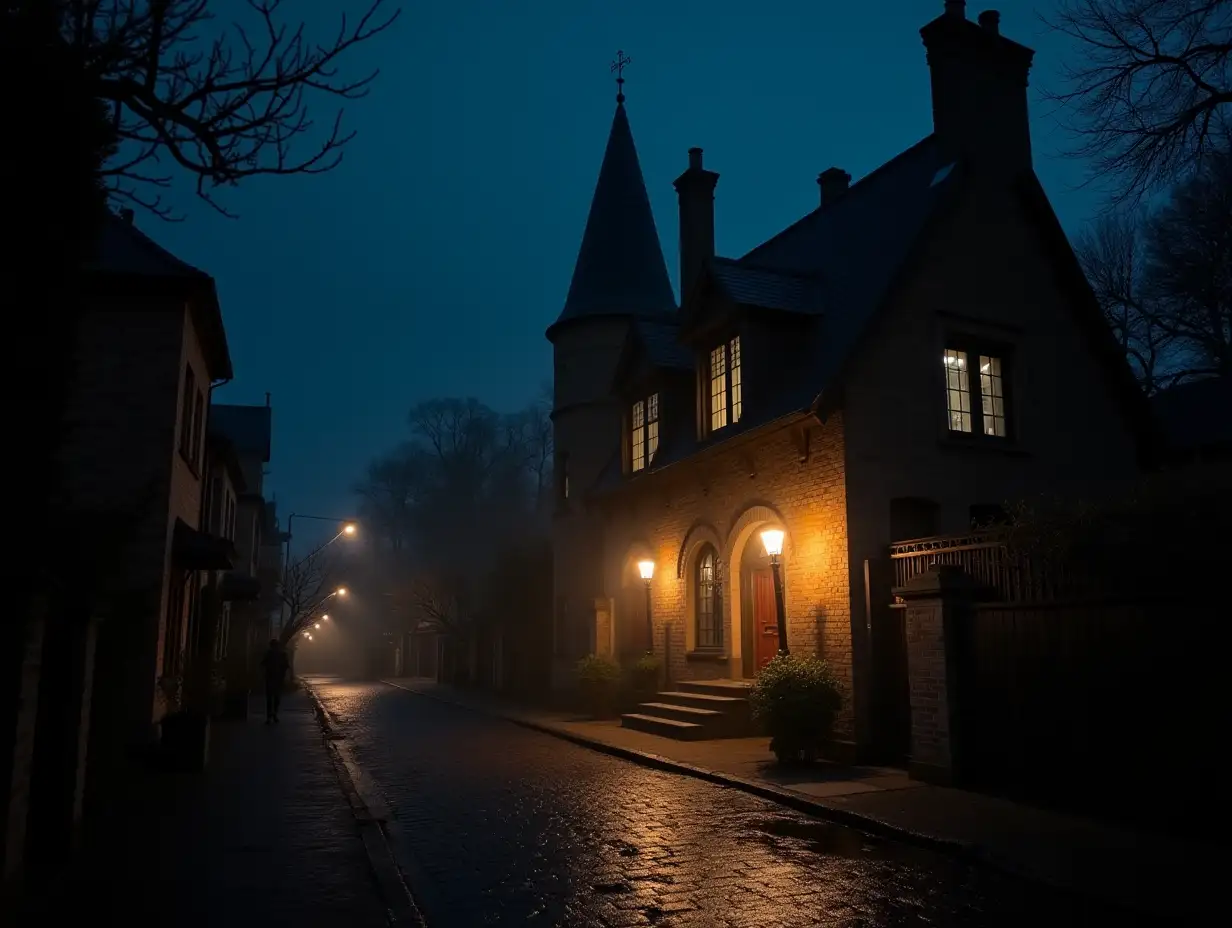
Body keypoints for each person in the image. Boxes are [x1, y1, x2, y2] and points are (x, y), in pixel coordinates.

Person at [261, 638, 290, 723]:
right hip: (277, 679)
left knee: (270, 698)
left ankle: (270, 716)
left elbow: (263, 664)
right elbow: (286, 666)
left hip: (271, 679)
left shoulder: (269, 654)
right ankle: (273, 714)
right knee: (276, 698)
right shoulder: (281, 654)